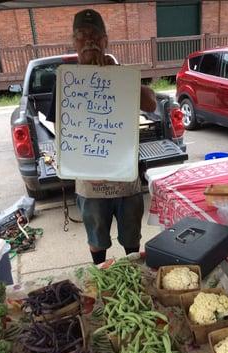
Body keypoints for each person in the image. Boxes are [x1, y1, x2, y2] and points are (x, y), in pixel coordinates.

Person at [47, 9, 157, 264]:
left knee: (131, 239)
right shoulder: (66, 81)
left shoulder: (121, 74)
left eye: (95, 35)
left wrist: (118, 73)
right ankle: (102, 277)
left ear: (106, 40)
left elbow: (151, 103)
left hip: (125, 181)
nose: (89, 40)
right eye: (82, 35)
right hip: (90, 186)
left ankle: (132, 275)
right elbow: (60, 130)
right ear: (73, 42)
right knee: (97, 240)